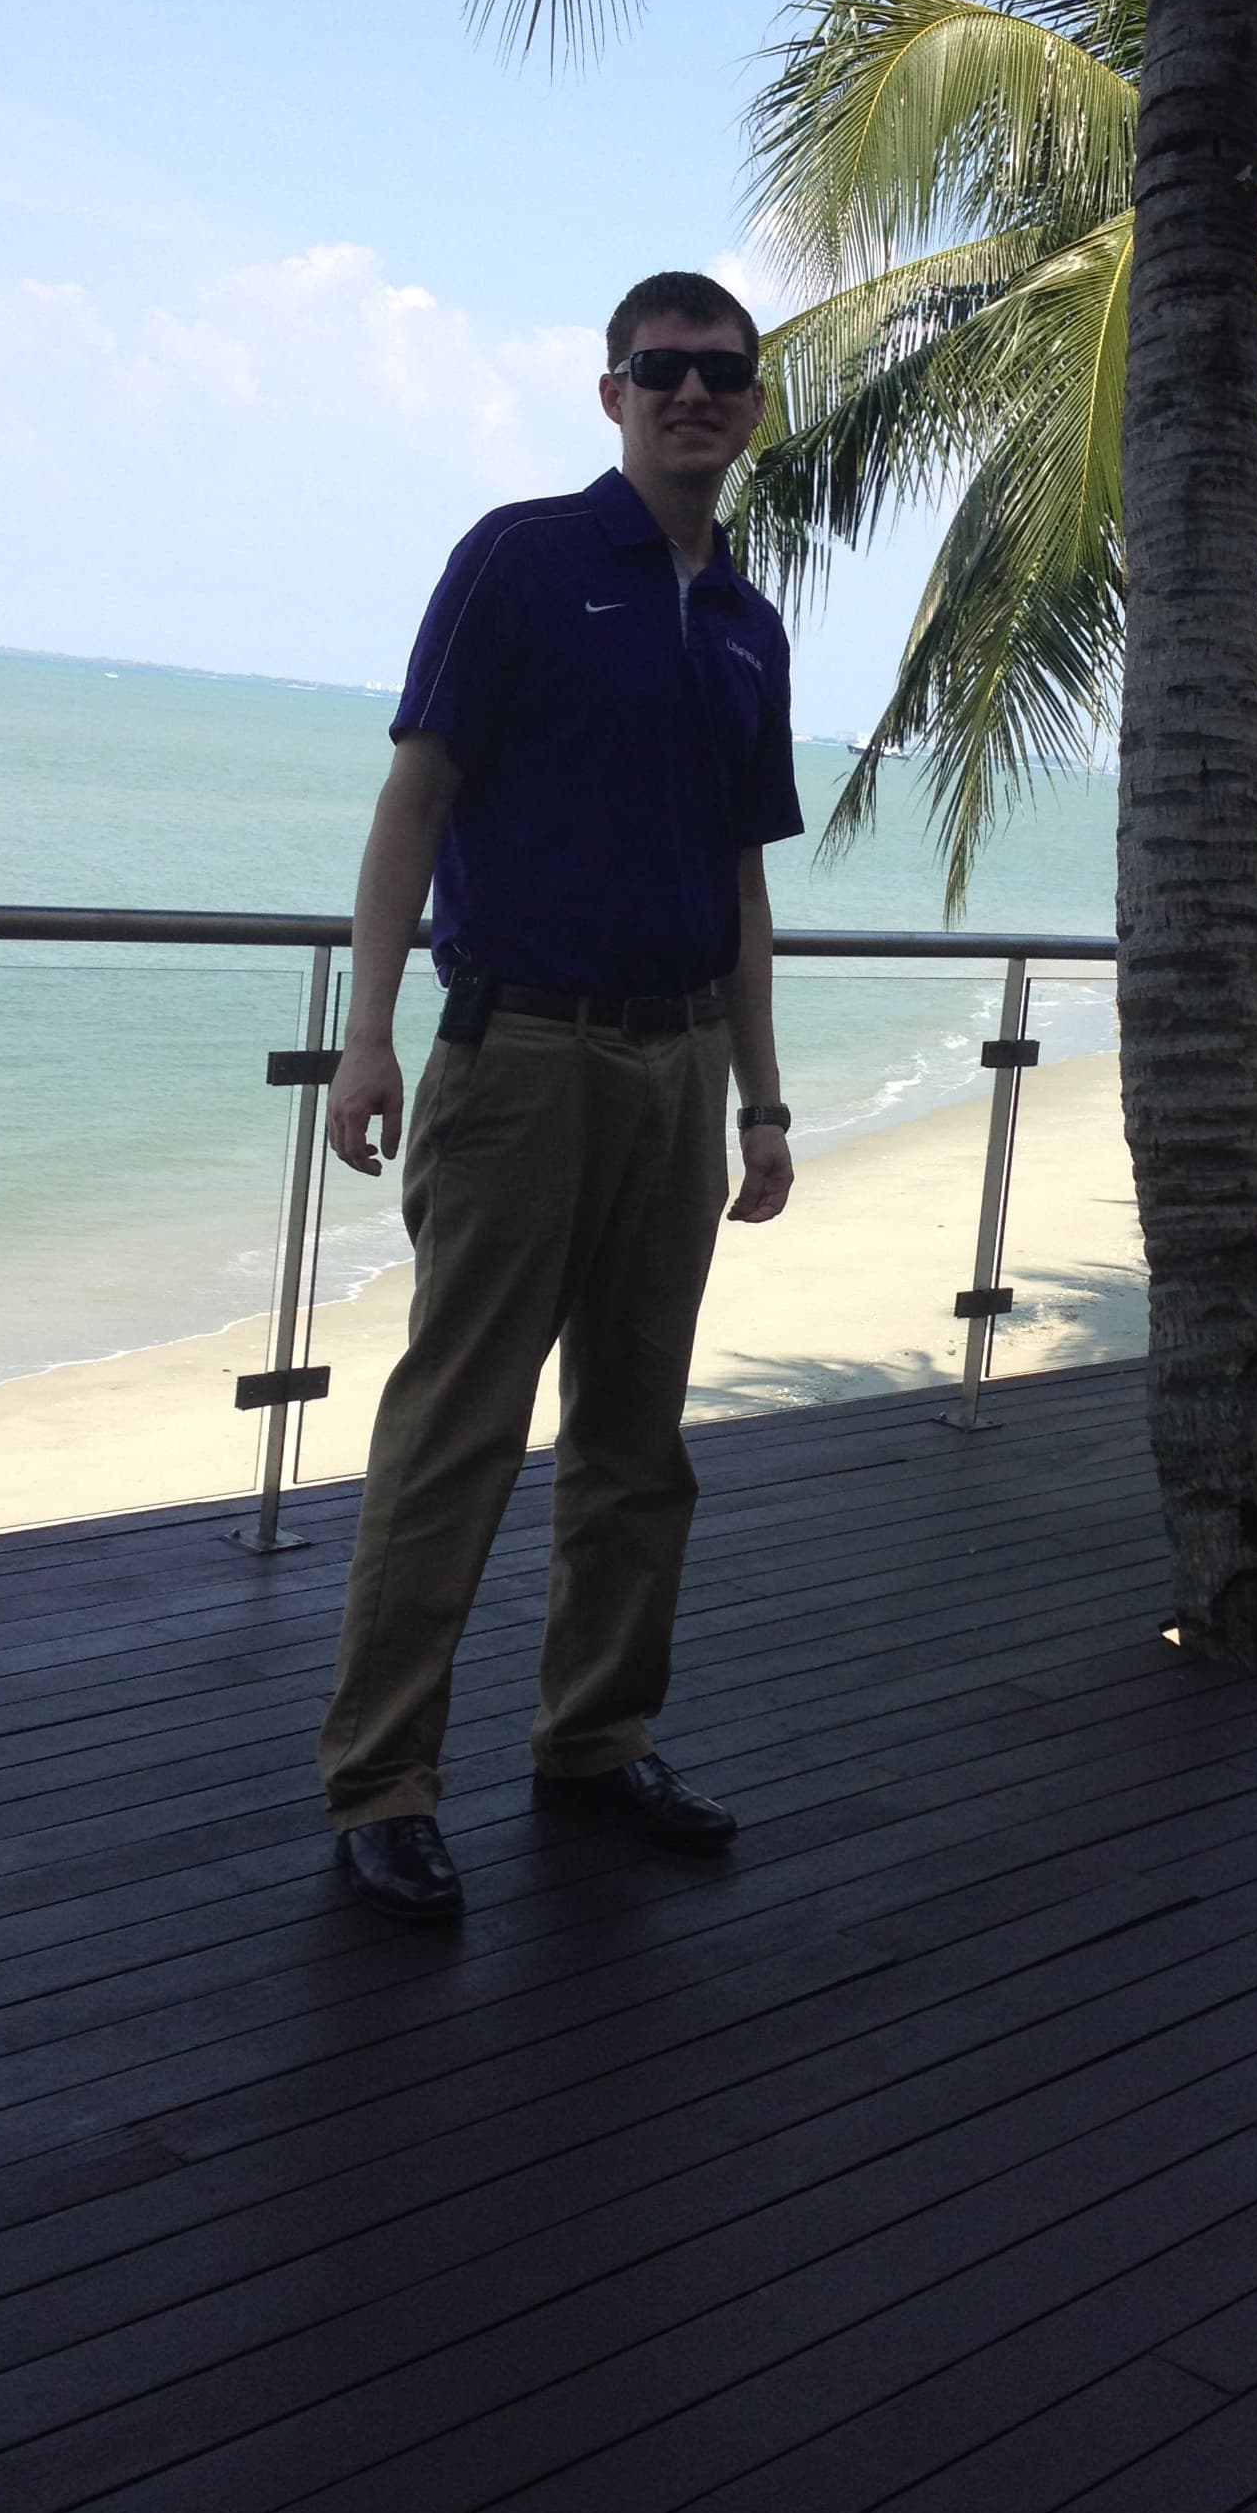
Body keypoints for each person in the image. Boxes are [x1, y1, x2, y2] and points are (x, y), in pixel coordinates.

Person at [315, 270, 801, 1924]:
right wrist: (366, 1035)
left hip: (678, 1074)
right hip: (516, 1057)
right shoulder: (521, 559)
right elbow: (417, 803)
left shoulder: (747, 619)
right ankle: (383, 1782)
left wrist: (764, 1101)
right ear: (612, 393)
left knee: (635, 1443)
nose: (693, 396)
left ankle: (596, 1738)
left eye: (722, 374)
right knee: (457, 1434)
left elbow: (738, 883)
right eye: (662, 370)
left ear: (751, 403)